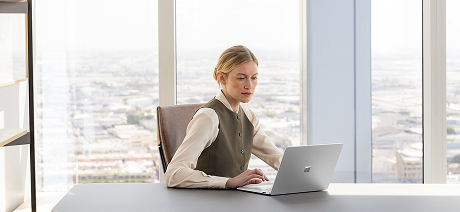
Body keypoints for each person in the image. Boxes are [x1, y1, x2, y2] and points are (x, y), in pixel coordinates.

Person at [164, 45, 283, 189]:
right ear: (222, 78)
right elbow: (173, 174)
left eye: (254, 78)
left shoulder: (248, 115)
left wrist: (306, 173)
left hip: (237, 201)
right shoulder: (209, 117)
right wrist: (228, 182)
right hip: (208, 203)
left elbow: (276, 157)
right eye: (241, 78)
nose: (249, 85)